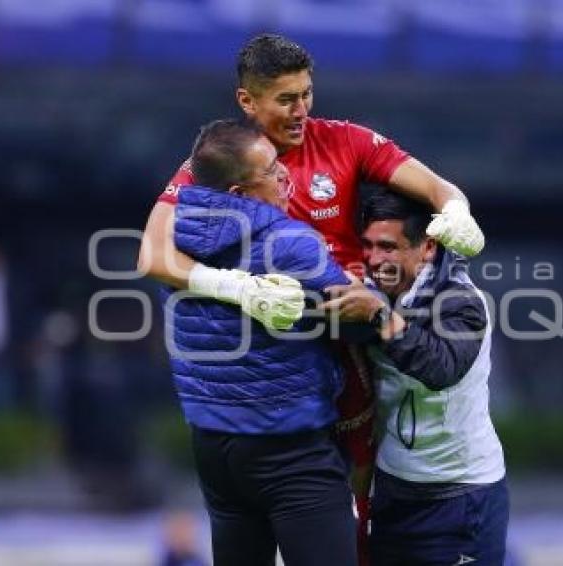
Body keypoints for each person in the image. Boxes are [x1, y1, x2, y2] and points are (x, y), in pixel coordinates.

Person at [138, 33, 487, 550]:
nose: (301, 110)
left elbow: (440, 189)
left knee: (365, 491)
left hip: (347, 345)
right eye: (285, 99)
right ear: (247, 101)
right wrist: (241, 289)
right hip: (269, 371)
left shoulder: (346, 141)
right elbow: (152, 256)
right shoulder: (217, 162)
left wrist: (457, 210)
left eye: (307, 94)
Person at [164, 118, 357, 566]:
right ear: (239, 196)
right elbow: (354, 321)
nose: (287, 174)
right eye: (271, 170)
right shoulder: (290, 242)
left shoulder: (173, 245)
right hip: (290, 448)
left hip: (214, 449)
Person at [323, 190, 509, 566]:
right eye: (368, 246)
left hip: (460, 496)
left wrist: (379, 317)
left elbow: (440, 368)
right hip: (394, 492)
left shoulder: (461, 301)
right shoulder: (375, 290)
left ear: (427, 248)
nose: (375, 260)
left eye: (388, 247)